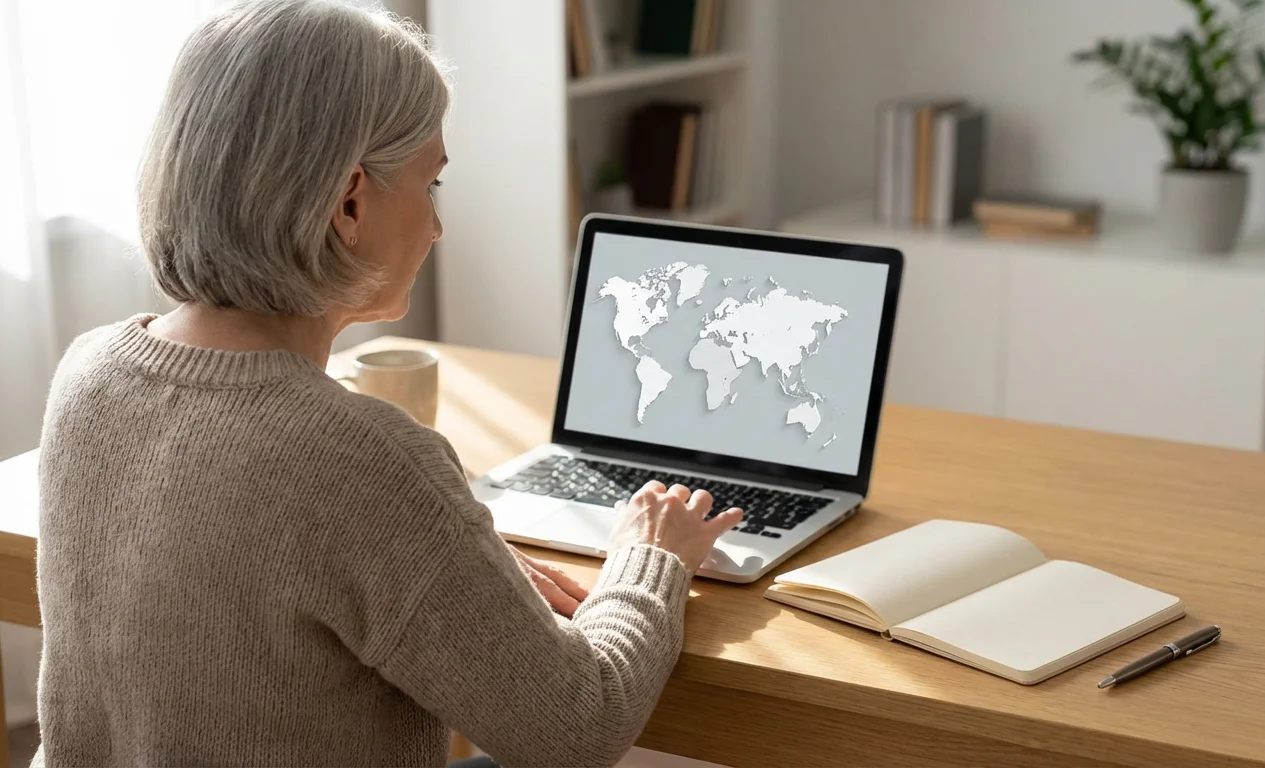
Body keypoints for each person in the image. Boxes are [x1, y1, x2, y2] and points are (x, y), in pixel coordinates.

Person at [31, 0, 744, 766]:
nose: (437, 228)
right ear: (349, 202)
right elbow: (581, 727)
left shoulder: (89, 373)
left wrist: (455, 559)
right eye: (431, 184)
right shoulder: (363, 462)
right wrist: (652, 558)